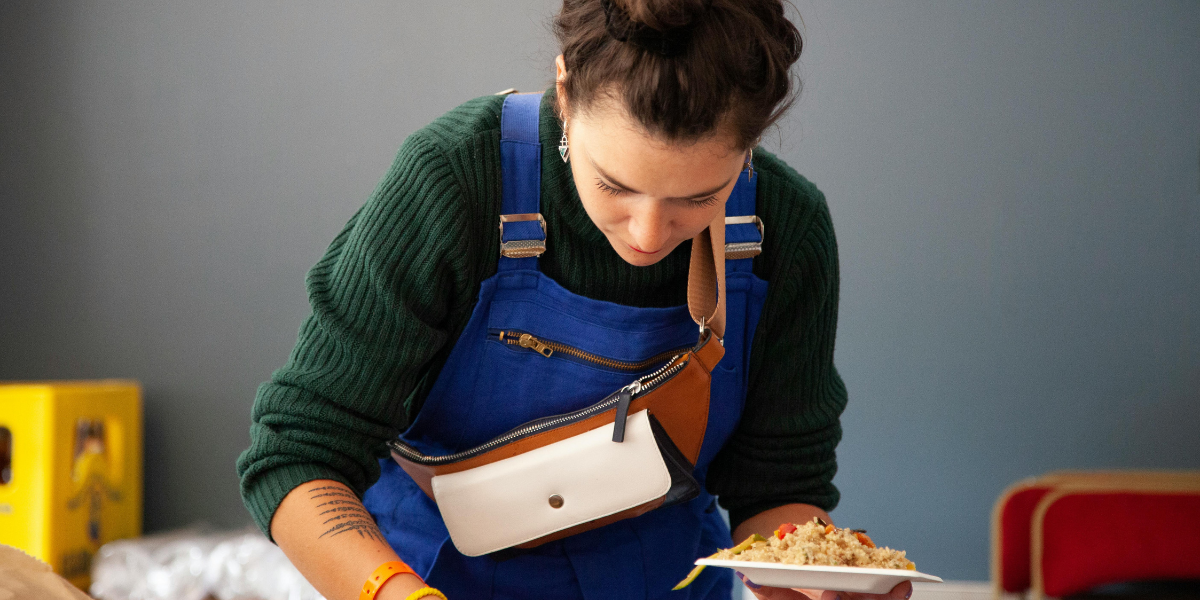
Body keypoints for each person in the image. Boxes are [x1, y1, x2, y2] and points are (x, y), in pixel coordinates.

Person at [237, 1, 911, 599]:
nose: (649, 234)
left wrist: (818, 576)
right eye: (614, 185)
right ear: (564, 91)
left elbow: (777, 490)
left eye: (698, 198)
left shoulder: (783, 229)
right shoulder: (454, 180)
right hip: (423, 572)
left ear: (750, 144)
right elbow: (299, 451)